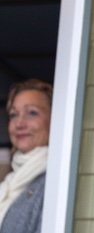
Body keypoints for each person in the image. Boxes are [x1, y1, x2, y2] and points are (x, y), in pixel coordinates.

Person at [0, 79, 52, 233]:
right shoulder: (9, 184)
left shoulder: (55, 182)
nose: (19, 124)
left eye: (32, 113)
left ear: (55, 119)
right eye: (14, 115)